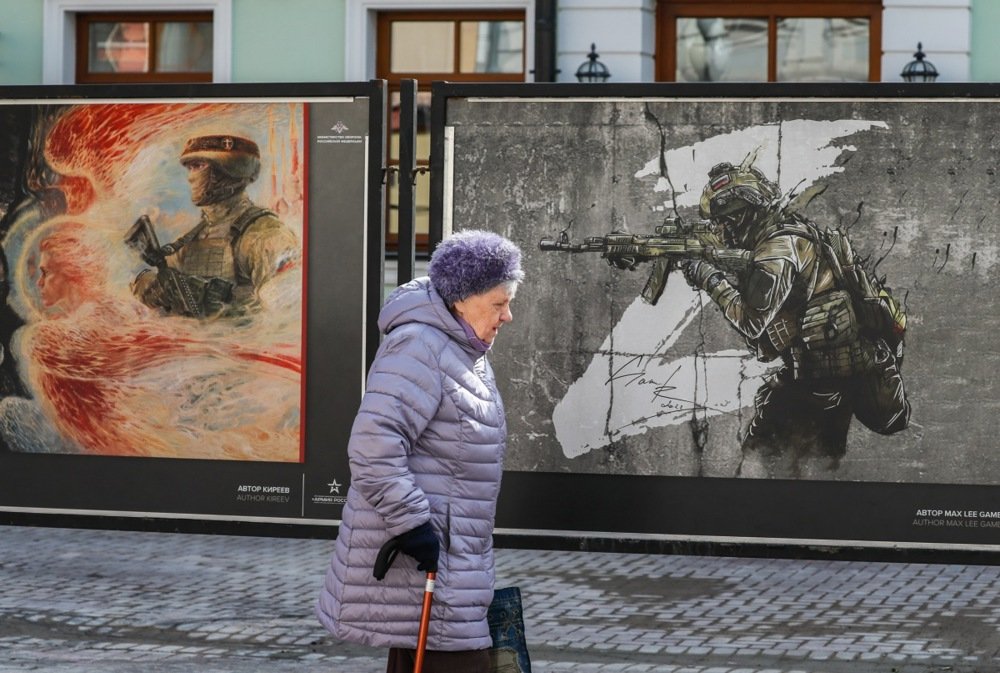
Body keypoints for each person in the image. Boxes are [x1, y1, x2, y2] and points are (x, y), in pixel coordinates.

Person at [316, 229, 524, 673]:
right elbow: (373, 446)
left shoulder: (462, 350)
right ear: (461, 299)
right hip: (428, 560)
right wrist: (413, 525)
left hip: (451, 563)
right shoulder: (420, 346)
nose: (508, 316)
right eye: (498, 304)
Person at [678, 158, 910, 478]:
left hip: (824, 383)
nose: (722, 231)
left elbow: (751, 321)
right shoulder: (786, 234)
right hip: (821, 377)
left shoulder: (778, 250)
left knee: (764, 462)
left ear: (746, 214)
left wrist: (709, 279)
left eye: (726, 222)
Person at [130, 134, 300, 319]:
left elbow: (286, 315)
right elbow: (161, 294)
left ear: (228, 171)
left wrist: (215, 307)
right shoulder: (193, 237)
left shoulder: (264, 234)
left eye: (199, 166)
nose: (190, 177)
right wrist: (150, 288)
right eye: (190, 168)